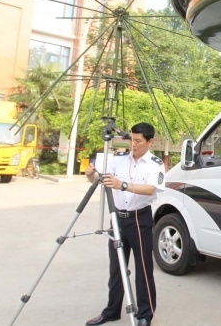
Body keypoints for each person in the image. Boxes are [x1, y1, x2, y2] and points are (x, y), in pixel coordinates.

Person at [85, 123, 165, 326]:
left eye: (138, 141)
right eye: (131, 139)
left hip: (140, 219)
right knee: (117, 267)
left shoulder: (155, 164)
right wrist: (91, 175)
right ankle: (112, 311)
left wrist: (123, 185)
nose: (133, 144)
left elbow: (150, 190)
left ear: (150, 141)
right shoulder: (118, 160)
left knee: (143, 270)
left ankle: (145, 315)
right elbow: (102, 179)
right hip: (117, 219)